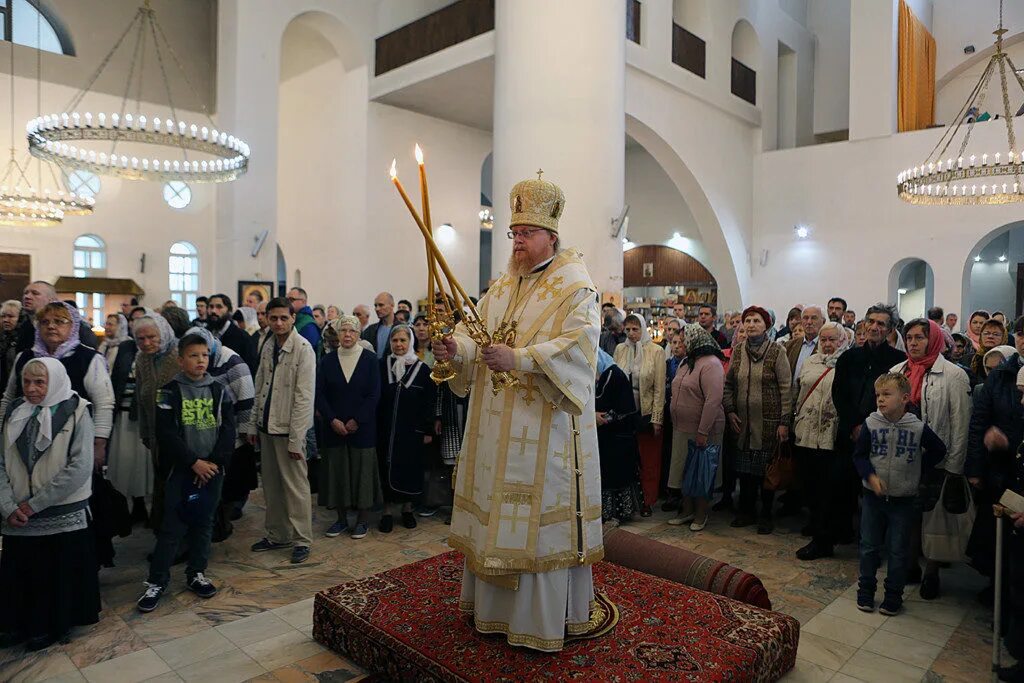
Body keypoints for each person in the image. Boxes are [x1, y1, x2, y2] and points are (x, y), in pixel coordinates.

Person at [431, 174, 607, 651]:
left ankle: (540, 621)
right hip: (495, 429)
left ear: (550, 235)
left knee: (532, 523)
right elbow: (477, 333)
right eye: (513, 233)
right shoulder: (505, 283)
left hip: (543, 430)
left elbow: (580, 349)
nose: (517, 242)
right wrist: (456, 348)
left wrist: (522, 360)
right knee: (495, 515)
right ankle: (491, 610)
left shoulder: (575, 286)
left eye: (525, 233)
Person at [0, 358, 100, 650]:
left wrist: (35, 505)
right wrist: (7, 506)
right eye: (26, 382)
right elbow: (2, 462)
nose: (31, 389)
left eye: (39, 382)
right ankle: (16, 624)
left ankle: (49, 626)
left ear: (54, 381)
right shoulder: (12, 411)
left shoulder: (77, 411)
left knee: (52, 574)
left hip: (59, 511)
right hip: (17, 512)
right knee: (20, 573)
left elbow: (80, 466)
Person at [136, 333, 236, 612]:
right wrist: (193, 462)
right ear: (181, 360)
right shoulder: (168, 391)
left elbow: (228, 429)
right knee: (172, 527)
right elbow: (166, 433)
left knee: (204, 523)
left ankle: (196, 572)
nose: (200, 360)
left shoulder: (219, 389)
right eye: (193, 355)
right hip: (181, 471)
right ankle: (157, 580)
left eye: (204, 355)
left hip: (212, 470)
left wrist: (214, 462)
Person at [890, 318, 971, 599]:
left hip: (938, 457)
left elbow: (960, 423)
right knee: (908, 514)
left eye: (919, 338)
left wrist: (955, 465)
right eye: (909, 337)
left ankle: (932, 572)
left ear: (933, 339)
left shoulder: (953, 375)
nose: (913, 343)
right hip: (904, 457)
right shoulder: (897, 371)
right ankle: (910, 564)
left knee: (936, 520)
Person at [854, 372, 946, 616]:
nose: (880, 400)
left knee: (898, 549)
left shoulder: (917, 427)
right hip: (873, 497)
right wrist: (870, 476)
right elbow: (860, 455)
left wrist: (918, 469)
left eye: (887, 394)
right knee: (869, 546)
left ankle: (893, 595)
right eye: (878, 395)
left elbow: (939, 449)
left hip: (903, 500)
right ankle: (865, 591)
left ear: (905, 398)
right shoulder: (871, 423)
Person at [248, 297, 316, 564]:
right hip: (267, 426)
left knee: (296, 487)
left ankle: (302, 539)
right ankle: (277, 534)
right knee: (272, 487)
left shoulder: (303, 349)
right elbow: (260, 385)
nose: (278, 323)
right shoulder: (268, 344)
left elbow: (304, 397)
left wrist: (297, 439)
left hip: (289, 430)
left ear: (292, 319)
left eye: (283, 318)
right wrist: (254, 422)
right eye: (273, 317)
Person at [832, 303, 907, 544]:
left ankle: (874, 541)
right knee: (841, 486)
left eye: (881, 324)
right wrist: (853, 424)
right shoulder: (849, 357)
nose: (874, 327)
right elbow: (839, 393)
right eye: (871, 322)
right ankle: (840, 532)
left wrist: (868, 426)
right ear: (863, 324)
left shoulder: (898, 361)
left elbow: (896, 399)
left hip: (880, 435)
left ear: (890, 330)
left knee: (876, 490)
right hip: (848, 432)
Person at [723, 306, 792, 534]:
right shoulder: (739, 350)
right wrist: (730, 410)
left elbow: (785, 388)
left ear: (767, 325)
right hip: (742, 422)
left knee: (765, 470)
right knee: (745, 470)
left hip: (769, 422)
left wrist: (784, 422)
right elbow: (729, 384)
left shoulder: (776, 351)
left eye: (756, 321)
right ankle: (746, 511)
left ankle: (765, 515)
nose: (751, 324)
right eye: (748, 321)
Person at [316, 315, 381, 539]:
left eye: (352, 331)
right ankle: (341, 520)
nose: (347, 335)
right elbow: (320, 394)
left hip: (362, 428)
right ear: (337, 334)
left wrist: (357, 420)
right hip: (333, 428)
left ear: (358, 334)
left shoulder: (371, 359)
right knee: (337, 473)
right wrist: (332, 419)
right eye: (343, 330)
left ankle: (362, 521)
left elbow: (374, 394)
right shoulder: (327, 360)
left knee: (362, 473)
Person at [793, 322, 851, 560]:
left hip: (831, 435)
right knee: (811, 487)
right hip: (806, 433)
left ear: (842, 341)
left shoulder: (848, 363)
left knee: (830, 490)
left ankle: (825, 537)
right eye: (823, 339)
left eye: (832, 340)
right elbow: (798, 393)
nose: (827, 344)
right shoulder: (810, 362)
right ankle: (817, 529)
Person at [667, 324, 725, 531]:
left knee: (701, 473)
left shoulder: (711, 364)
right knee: (684, 471)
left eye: (685, 339)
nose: (681, 343)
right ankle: (687, 510)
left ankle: (701, 514)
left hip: (703, 429)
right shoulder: (687, 362)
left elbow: (713, 400)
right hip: (682, 428)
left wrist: (703, 431)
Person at [377, 325, 434, 532]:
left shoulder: (423, 370)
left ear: (410, 342)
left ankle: (408, 509)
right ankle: (387, 511)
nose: (399, 345)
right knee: (386, 466)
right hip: (386, 429)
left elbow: (429, 402)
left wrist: (427, 430)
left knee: (410, 468)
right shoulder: (381, 365)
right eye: (395, 340)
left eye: (403, 340)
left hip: (412, 431)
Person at [132, 313, 181, 533]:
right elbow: (141, 398)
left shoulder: (179, 355)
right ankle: (163, 532)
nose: (146, 343)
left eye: (151, 337)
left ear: (163, 333)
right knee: (161, 482)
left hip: (180, 435)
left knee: (176, 486)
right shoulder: (141, 359)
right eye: (140, 339)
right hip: (155, 434)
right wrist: (145, 432)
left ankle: (176, 537)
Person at [614, 313, 666, 516]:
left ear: (643, 329)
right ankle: (628, 501)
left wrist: (657, 418)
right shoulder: (620, 349)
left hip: (645, 411)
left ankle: (647, 500)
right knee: (627, 458)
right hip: (624, 413)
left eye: (635, 329)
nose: (631, 333)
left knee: (648, 459)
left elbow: (659, 388)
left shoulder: (656, 351)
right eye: (628, 329)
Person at [595, 348, 641, 524]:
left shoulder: (616, 375)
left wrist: (603, 418)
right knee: (605, 475)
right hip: (603, 436)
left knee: (618, 475)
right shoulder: (598, 377)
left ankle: (620, 512)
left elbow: (625, 408)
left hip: (619, 436)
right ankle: (605, 512)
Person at [16, 281, 98, 352]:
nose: (27, 297)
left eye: (35, 293)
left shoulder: (77, 327)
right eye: (25, 293)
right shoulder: (24, 326)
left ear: (51, 300)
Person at [206, 294, 258, 372]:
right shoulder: (205, 334)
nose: (213, 311)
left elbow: (250, 368)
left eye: (219, 307)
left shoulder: (242, 337)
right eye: (211, 307)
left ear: (229, 310)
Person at [784, 304, 825, 381]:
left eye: (814, 318)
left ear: (823, 322)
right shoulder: (789, 346)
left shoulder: (827, 347)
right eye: (805, 318)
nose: (809, 322)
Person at [361, 292, 396, 358]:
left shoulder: (403, 329)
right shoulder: (369, 331)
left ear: (392, 305)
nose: (377, 309)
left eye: (381, 305)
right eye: (375, 306)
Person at [0, 300, 22, 391]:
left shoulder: (23, 340)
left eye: (10, 316)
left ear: (20, 318)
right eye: (3, 316)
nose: (5, 320)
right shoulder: (3, 338)